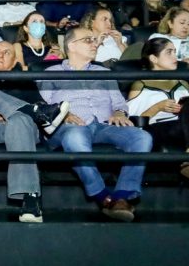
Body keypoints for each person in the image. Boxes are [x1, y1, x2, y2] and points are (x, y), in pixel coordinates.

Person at [38, 27, 154, 221]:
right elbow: (45, 106)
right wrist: (63, 115)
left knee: (142, 137)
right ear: (72, 46)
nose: (95, 44)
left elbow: (119, 103)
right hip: (68, 126)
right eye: (88, 40)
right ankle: (102, 196)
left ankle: (121, 196)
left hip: (102, 124)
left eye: (94, 40)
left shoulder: (104, 71)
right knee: (75, 136)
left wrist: (119, 113)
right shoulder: (51, 72)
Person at [0, 41, 70, 223]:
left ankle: (30, 200)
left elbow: (41, 104)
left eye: (7, 53)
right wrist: (2, 107)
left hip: (20, 133)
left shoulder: (22, 81)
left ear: (14, 63)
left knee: (19, 119)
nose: (0, 54)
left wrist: (10, 112)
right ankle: (28, 110)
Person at [127, 39, 189, 218]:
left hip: (185, 129)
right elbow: (133, 120)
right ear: (153, 58)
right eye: (169, 52)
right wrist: (158, 106)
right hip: (157, 129)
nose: (176, 57)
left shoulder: (184, 82)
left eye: (175, 52)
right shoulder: (140, 84)